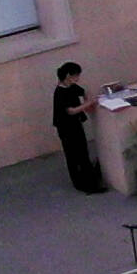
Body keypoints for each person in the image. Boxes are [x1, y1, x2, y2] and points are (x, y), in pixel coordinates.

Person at [52, 62, 107, 193]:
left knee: (82, 152)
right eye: (76, 76)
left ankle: (90, 180)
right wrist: (88, 104)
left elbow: (83, 92)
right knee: (74, 155)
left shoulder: (71, 87)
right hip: (66, 127)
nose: (78, 78)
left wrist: (87, 100)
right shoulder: (60, 92)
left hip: (75, 124)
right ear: (68, 76)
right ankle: (83, 183)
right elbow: (70, 111)